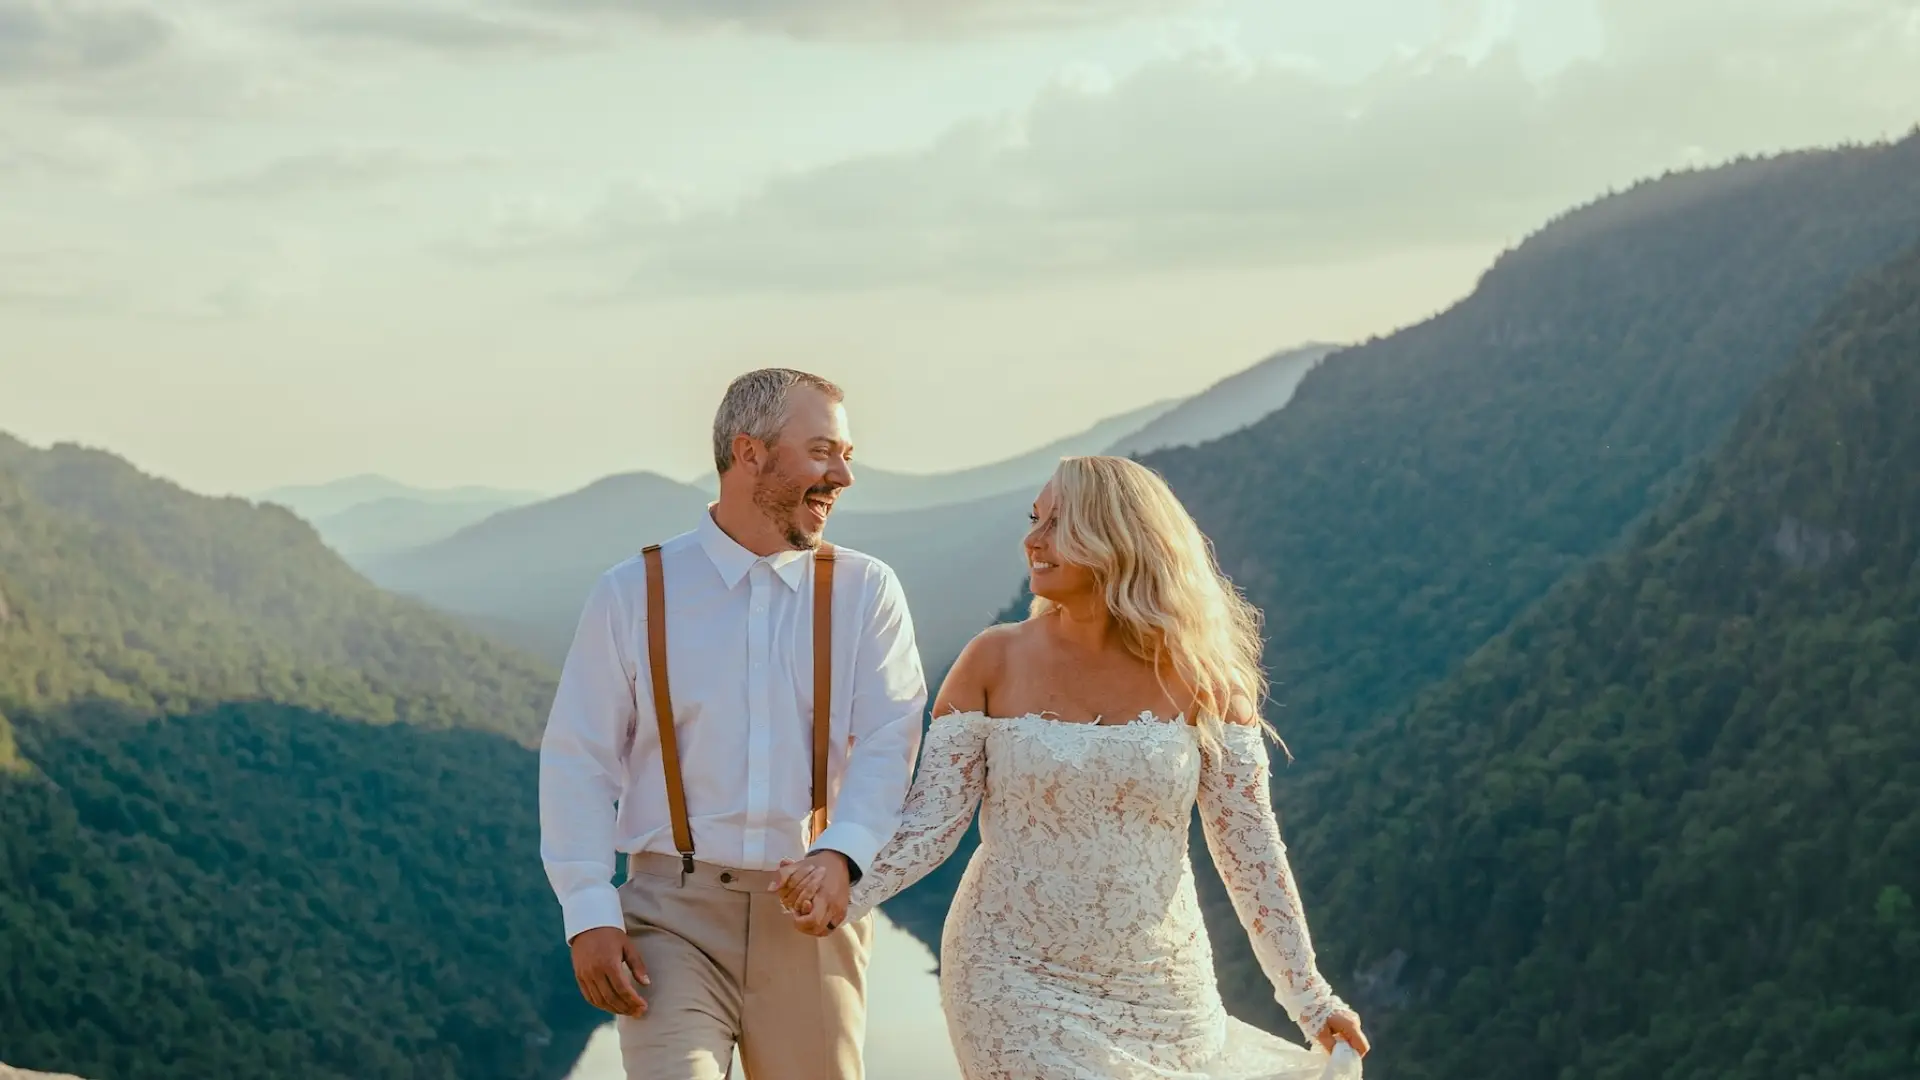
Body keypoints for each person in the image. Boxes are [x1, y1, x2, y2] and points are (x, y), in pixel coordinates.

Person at [777, 454, 1370, 1080]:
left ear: (1115, 538)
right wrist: (845, 889)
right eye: (1035, 519)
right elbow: (932, 823)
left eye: (1058, 524)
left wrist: (1310, 998)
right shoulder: (993, 660)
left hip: (1166, 989)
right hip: (1010, 976)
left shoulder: (1207, 682)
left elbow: (1250, 854)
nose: (1032, 539)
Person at [538, 368, 928, 1080]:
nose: (842, 474)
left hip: (814, 918)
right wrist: (589, 908)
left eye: (847, 455)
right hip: (669, 918)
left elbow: (888, 739)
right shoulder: (633, 592)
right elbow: (579, 760)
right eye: (823, 452)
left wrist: (842, 855)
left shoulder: (866, 590)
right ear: (749, 453)